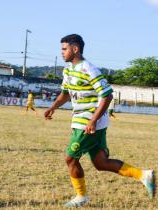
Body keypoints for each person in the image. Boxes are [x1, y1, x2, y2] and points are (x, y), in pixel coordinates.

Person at [44, 34, 155, 207]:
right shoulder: (67, 70)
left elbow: (107, 95)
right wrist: (53, 107)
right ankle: (143, 175)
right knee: (101, 163)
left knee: (70, 159)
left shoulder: (88, 68)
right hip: (81, 120)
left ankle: (81, 197)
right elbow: (66, 93)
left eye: (64, 49)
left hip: (88, 122)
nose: (62, 53)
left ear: (75, 49)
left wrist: (93, 121)